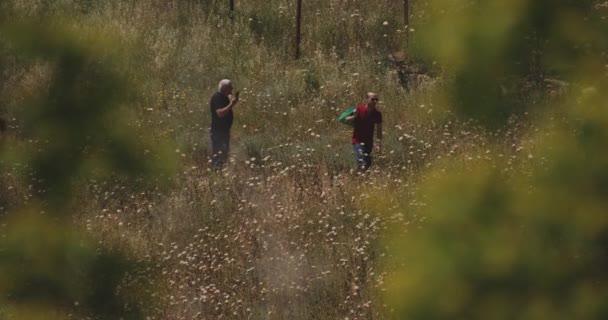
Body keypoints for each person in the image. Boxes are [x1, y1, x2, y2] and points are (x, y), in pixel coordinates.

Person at [345, 92, 383, 173]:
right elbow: (345, 119)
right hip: (358, 141)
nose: (375, 101)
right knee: (362, 163)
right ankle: (358, 178)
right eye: (373, 99)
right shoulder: (359, 109)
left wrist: (378, 144)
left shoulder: (377, 114)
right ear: (367, 99)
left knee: (368, 163)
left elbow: (379, 130)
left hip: (369, 142)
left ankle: (358, 178)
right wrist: (354, 116)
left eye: (376, 99)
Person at [209, 79, 239, 170]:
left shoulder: (224, 97)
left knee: (223, 155)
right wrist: (232, 104)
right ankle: (216, 175)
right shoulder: (217, 98)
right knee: (218, 156)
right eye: (230, 87)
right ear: (225, 88)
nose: (232, 89)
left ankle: (219, 174)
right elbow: (220, 113)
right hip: (218, 133)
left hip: (223, 132)